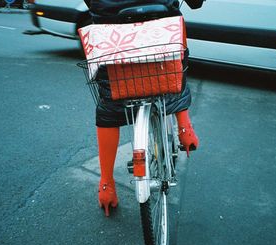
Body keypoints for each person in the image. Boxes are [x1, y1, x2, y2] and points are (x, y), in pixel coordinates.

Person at [83, 0, 203, 216]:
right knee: (175, 55)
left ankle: (106, 184)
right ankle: (185, 128)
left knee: (109, 107)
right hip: (161, 29)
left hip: (114, 40)